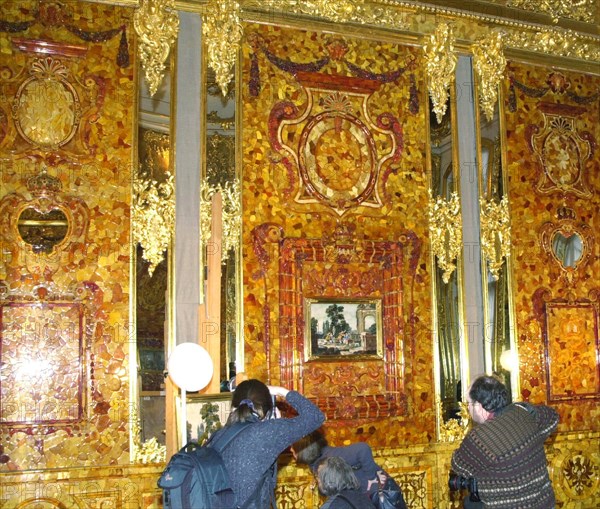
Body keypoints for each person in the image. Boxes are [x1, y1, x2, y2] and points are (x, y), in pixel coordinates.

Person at [211, 378, 325, 508]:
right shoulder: (267, 432)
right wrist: (281, 391)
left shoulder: (219, 435)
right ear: (268, 408)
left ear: (234, 406)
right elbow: (316, 417)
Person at [451, 374, 559, 508]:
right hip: (545, 504)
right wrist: (522, 409)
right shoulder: (522, 414)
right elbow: (552, 417)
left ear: (478, 406)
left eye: (469, 403)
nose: (468, 408)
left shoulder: (479, 438)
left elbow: (458, 465)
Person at [293, 429, 407, 509]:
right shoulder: (317, 461)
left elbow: (363, 449)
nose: (290, 450)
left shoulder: (331, 457)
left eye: (293, 448)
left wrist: (370, 478)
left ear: (303, 450)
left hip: (381, 495)